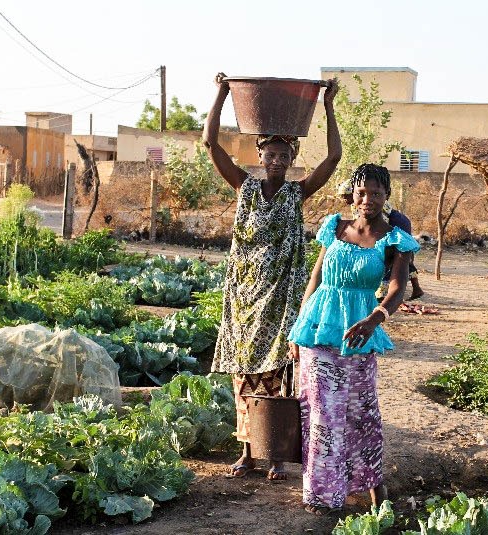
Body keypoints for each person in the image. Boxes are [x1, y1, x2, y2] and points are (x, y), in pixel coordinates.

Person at [203, 73, 341, 481]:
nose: (278, 160)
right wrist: (223, 93)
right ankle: (248, 450)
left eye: (285, 155)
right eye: (271, 154)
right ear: (261, 157)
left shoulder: (296, 194)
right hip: (244, 298)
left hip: (280, 298)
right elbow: (211, 144)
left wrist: (329, 106)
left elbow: (332, 160)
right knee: (243, 375)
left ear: (292, 159)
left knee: (279, 372)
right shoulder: (244, 188)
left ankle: (276, 453)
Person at [288, 164, 420, 515]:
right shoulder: (334, 228)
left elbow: (397, 288)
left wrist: (374, 318)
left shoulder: (394, 238)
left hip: (360, 335)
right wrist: (299, 327)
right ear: (352, 194)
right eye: (362, 193)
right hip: (318, 332)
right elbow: (315, 280)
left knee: (361, 414)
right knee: (323, 415)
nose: (368, 200)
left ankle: (372, 486)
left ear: (386, 197)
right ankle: (323, 494)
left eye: (376, 193)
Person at [337, 179, 423, 300]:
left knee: (391, 258)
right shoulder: (357, 205)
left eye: (345, 196)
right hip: (396, 223)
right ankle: (414, 289)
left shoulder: (371, 204)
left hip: (397, 223)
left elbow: (379, 225)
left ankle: (383, 296)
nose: (344, 199)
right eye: (342, 197)